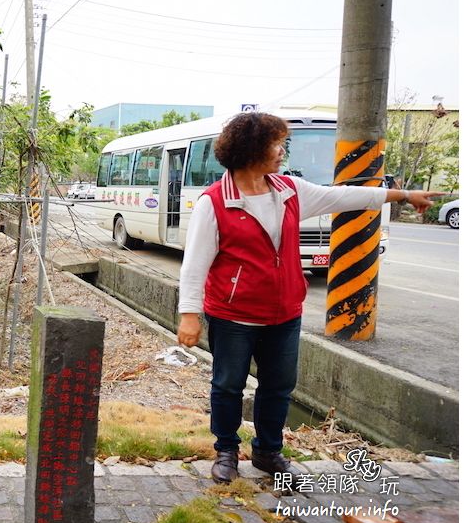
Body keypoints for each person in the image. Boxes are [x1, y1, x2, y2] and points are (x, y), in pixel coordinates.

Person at [176, 111, 440, 485]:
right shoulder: (215, 202)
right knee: (227, 386)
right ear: (252, 149)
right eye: (276, 143)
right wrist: (189, 314)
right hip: (233, 316)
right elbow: (194, 265)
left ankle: (268, 452)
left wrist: (403, 194)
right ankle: (226, 451)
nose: (282, 151)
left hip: (284, 314)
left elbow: (344, 195)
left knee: (278, 387)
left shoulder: (289, 190)